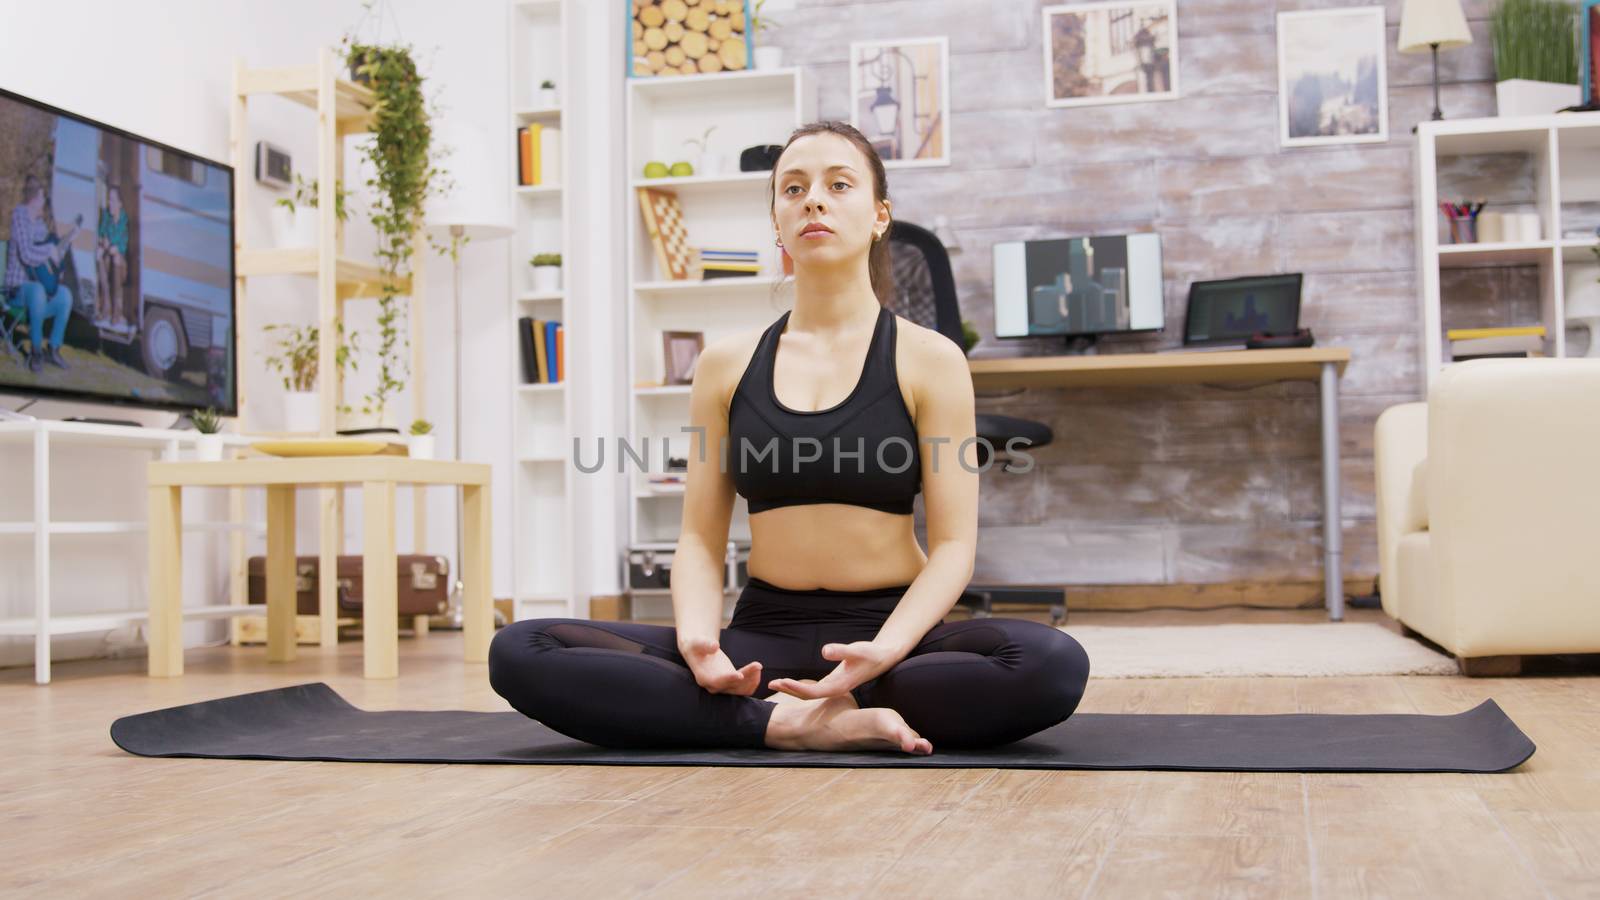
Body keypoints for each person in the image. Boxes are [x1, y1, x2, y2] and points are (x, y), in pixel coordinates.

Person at [489, 121, 1091, 754]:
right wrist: (698, 640)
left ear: (880, 214)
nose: (814, 200)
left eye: (839, 184)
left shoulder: (931, 359)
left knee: (1050, 663)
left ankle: (789, 710)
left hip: (890, 633)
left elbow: (953, 547)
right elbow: (698, 535)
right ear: (777, 223)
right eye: (793, 188)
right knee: (522, 649)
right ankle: (791, 723)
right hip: (763, 633)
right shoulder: (725, 365)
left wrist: (882, 651)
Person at [4, 175, 79, 373]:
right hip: (17, 290)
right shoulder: (19, 216)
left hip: (36, 293)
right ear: (35, 197)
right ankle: (36, 352)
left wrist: (66, 243)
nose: (44, 202)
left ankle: (53, 349)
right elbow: (27, 254)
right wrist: (48, 251)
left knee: (65, 295)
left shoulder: (38, 223)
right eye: (43, 197)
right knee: (37, 290)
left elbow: (51, 254)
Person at [96, 180, 130, 329]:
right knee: (100, 256)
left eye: (113, 200)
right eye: (109, 199)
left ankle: (117, 311)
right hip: (108, 258)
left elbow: (123, 244)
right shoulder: (106, 216)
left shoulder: (124, 220)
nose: (110, 203)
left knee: (116, 258)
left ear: (120, 204)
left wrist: (113, 246)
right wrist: (103, 241)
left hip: (120, 264)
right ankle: (106, 308)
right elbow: (101, 233)